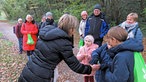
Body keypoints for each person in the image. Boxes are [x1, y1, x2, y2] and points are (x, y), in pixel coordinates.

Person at [18, 14, 100, 82]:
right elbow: (75, 65)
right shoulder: (63, 43)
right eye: (74, 29)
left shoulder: (46, 32)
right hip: (41, 77)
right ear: (70, 28)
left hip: (28, 70)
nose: (74, 31)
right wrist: (90, 69)